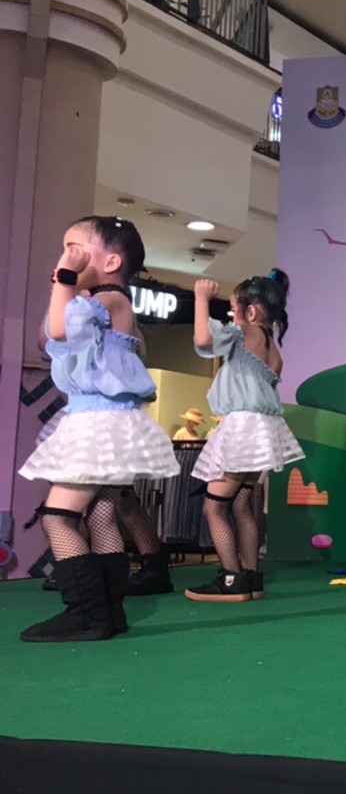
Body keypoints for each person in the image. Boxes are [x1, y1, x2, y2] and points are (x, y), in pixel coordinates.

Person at [17, 216, 177, 642]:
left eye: (75, 248)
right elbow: (48, 339)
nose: (66, 256)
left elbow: (55, 331)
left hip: (98, 422)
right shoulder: (101, 302)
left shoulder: (108, 299)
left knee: (58, 517)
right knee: (102, 514)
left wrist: (64, 279)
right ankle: (108, 612)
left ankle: (85, 613)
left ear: (111, 261)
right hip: (105, 420)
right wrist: (67, 286)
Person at [184, 271, 304, 603]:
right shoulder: (273, 350)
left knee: (214, 508)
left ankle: (232, 578)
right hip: (263, 430)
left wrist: (201, 299)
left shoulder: (243, 332)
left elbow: (204, 342)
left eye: (233, 308)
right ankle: (251, 576)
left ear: (250, 311)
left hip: (241, 429)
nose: (231, 315)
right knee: (241, 505)